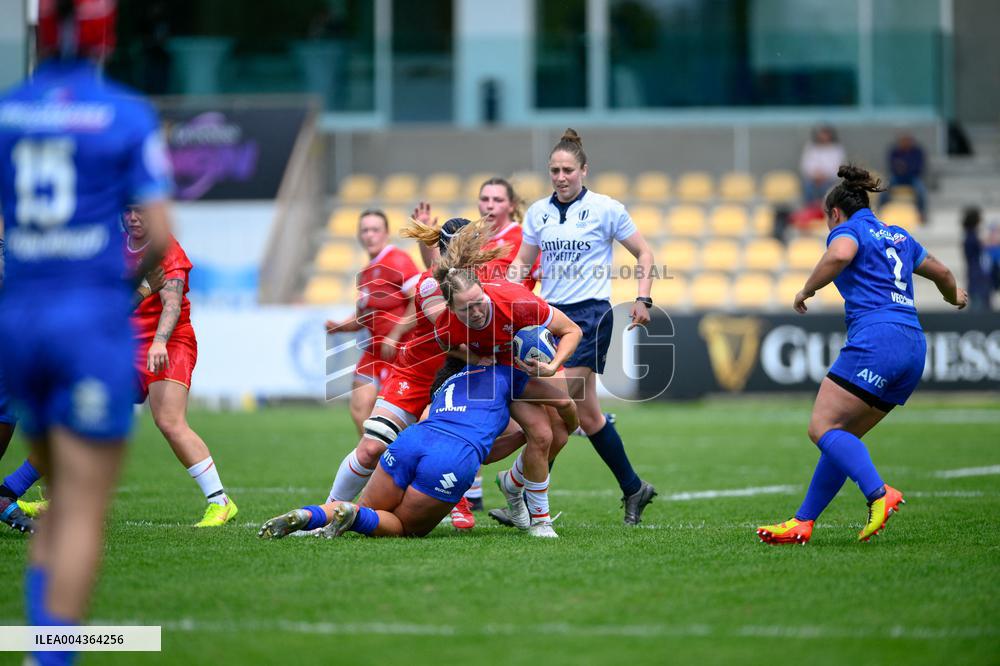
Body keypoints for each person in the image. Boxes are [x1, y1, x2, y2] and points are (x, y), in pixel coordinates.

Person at [0, 2, 173, 664]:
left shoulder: (9, 109)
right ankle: (51, 658)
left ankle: (38, 645)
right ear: (108, 38)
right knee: (76, 505)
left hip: (19, 316)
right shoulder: (125, 113)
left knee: (50, 479)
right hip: (88, 318)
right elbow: (158, 234)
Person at [757, 166, 967, 546]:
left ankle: (878, 493)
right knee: (843, 435)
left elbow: (840, 254)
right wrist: (955, 297)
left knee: (821, 428)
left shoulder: (848, 230)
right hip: (913, 345)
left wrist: (807, 289)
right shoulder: (899, 235)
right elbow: (944, 272)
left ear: (834, 212)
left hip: (878, 339)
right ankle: (803, 521)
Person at [505, 128, 658, 526]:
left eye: (568, 169)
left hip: (589, 318)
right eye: (554, 170)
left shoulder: (607, 208)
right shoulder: (538, 212)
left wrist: (643, 298)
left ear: (584, 171)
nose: (560, 176)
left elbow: (643, 252)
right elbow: (522, 264)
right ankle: (634, 488)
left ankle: (517, 489)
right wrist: (504, 295)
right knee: (587, 417)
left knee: (557, 411)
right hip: (549, 318)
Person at [259, 361, 573, 540]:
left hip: (412, 440)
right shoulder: (508, 375)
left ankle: (309, 515)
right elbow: (564, 401)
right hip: (453, 456)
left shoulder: (450, 380)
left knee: (365, 506)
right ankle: (350, 517)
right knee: (405, 528)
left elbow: (486, 453)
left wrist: (519, 438)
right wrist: (568, 426)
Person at [322, 217, 495, 531]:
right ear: (450, 249)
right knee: (372, 446)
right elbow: (450, 337)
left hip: (458, 379)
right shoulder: (431, 284)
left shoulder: (485, 282)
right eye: (471, 244)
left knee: (534, 428)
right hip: (416, 375)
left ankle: (522, 503)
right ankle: (327, 512)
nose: (479, 250)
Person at [434, 218, 582, 538]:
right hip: (491, 373)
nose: (474, 313)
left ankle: (512, 482)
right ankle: (540, 520)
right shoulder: (448, 322)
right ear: (452, 309)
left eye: (478, 303)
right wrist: (475, 358)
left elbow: (572, 330)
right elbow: (447, 344)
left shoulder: (519, 302)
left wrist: (553, 364)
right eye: (465, 310)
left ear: (484, 290)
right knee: (539, 435)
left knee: (566, 419)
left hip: (521, 369)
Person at [124, 204, 238, 526]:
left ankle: (220, 502)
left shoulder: (166, 248)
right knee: (88, 414)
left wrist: (159, 342)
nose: (133, 217)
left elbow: (171, 303)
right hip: (127, 343)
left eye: (140, 211)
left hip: (170, 341)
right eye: (128, 211)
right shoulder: (113, 247)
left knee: (170, 422)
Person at [325, 210, 421, 435]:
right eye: (365, 230)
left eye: (375, 230)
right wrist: (339, 327)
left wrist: (396, 334)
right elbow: (363, 317)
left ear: (386, 233)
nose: (369, 235)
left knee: (398, 417)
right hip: (375, 351)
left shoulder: (397, 260)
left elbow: (418, 301)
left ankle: (395, 461)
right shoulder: (366, 272)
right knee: (359, 408)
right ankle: (370, 462)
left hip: (400, 352)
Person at [884, 132, 927, 220]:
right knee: (884, 189)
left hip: (912, 177)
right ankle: (880, 211)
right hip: (897, 177)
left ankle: (922, 214)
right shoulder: (895, 151)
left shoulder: (917, 152)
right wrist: (901, 168)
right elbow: (892, 165)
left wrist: (906, 168)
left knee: (921, 191)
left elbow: (919, 166)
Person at [800, 125, 846, 205]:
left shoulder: (836, 149)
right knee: (808, 187)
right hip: (813, 180)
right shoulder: (811, 147)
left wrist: (824, 176)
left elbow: (838, 168)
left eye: (826, 134)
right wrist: (815, 175)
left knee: (828, 189)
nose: (823, 136)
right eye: (822, 134)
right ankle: (810, 212)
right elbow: (806, 166)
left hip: (830, 180)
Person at [961, 207, 992, 311]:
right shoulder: (971, 238)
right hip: (977, 278)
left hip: (976, 277)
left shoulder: (970, 236)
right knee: (979, 309)